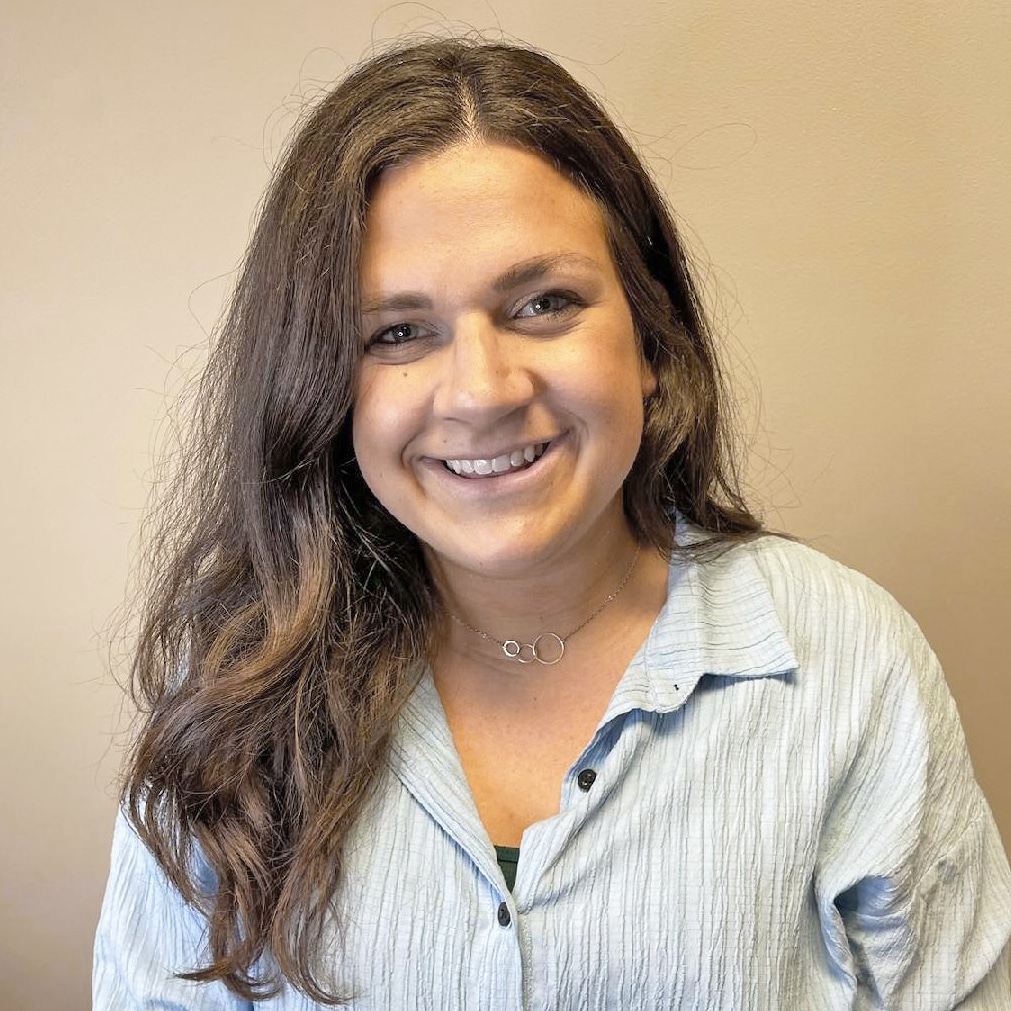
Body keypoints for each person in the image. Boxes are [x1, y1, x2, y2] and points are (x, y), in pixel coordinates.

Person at [93, 38, 1011, 1009]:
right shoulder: (229, 709)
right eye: (398, 332)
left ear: (651, 339)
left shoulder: (849, 665)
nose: (483, 391)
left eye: (542, 303)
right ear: (323, 385)